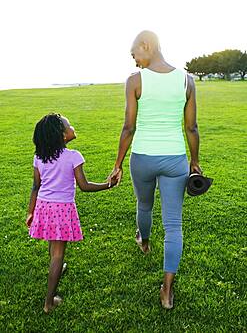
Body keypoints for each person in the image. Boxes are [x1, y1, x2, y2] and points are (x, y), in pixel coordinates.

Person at [108, 30, 201, 309]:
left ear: (146, 46)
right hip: (175, 159)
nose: (134, 61)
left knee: (145, 206)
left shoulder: (135, 81)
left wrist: (117, 164)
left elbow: (129, 127)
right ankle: (167, 291)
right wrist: (194, 161)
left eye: (134, 54)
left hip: (143, 158)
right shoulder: (187, 80)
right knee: (174, 225)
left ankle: (144, 241)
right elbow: (192, 127)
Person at [26, 113, 117, 313]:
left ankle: (57, 267)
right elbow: (84, 186)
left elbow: (35, 186)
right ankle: (49, 302)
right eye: (69, 125)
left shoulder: (40, 157)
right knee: (58, 254)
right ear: (63, 135)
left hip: (43, 207)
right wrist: (108, 185)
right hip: (61, 209)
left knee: (53, 244)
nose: (72, 127)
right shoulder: (73, 156)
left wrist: (30, 212)